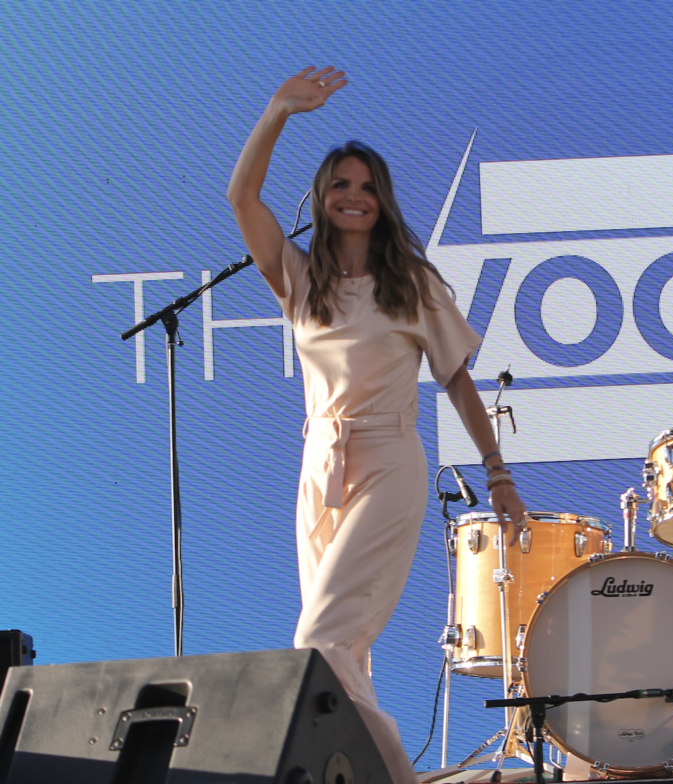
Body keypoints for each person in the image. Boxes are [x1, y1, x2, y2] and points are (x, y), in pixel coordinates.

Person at [227, 66, 526, 784]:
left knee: (319, 641)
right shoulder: (299, 278)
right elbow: (242, 198)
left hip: (389, 460)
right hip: (319, 466)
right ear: (322, 198)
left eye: (366, 186)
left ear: (382, 200)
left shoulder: (413, 283)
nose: (353, 196)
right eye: (340, 185)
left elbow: (457, 382)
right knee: (346, 658)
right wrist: (277, 111)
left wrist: (498, 475)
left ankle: (391, 776)